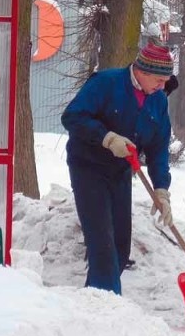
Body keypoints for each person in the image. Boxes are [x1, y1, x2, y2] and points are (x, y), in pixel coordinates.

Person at [61, 39, 175, 295]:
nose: (162, 85)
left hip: (120, 172)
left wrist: (161, 190)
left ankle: (97, 297)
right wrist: (107, 138)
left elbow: (159, 147)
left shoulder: (158, 101)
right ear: (142, 72)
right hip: (88, 167)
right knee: (102, 242)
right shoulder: (106, 83)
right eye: (159, 79)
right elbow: (72, 117)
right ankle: (105, 304)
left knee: (121, 246)